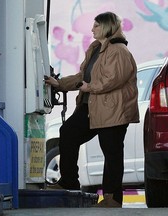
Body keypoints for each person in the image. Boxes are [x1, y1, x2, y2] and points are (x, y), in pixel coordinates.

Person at [44, 11, 139, 208]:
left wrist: (90, 87)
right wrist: (59, 83)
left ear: (107, 27)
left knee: (111, 153)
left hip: (112, 110)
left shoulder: (119, 50)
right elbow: (82, 76)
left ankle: (112, 199)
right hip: (90, 106)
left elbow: (113, 79)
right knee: (68, 133)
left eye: (96, 26)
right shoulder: (96, 48)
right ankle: (69, 180)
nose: (92, 29)